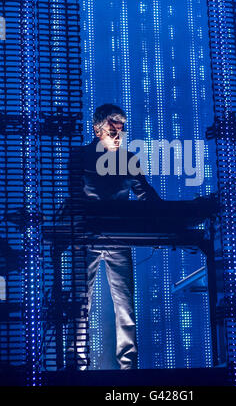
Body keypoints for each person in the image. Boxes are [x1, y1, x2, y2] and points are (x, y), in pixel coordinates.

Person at [65, 104, 161, 370]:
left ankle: (127, 368)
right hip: (88, 238)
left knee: (124, 306)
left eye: (121, 129)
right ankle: (77, 366)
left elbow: (148, 196)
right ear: (98, 129)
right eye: (112, 128)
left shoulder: (128, 160)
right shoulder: (80, 157)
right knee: (81, 305)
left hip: (115, 239)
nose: (118, 134)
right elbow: (74, 198)